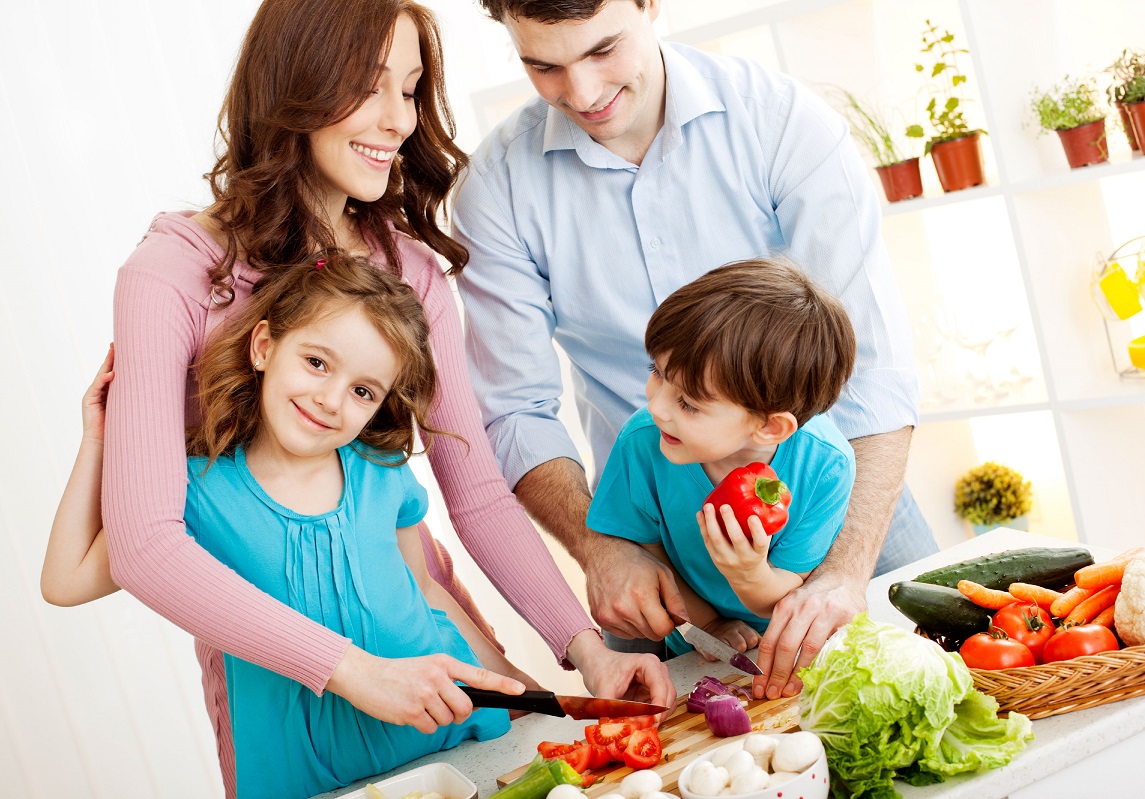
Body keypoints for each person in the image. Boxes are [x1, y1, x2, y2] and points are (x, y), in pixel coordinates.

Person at [99, 1, 671, 795]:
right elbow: (143, 545)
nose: (399, 119)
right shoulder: (170, 278)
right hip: (285, 703)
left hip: (428, 648)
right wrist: (349, 670)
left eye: (410, 90)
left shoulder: (410, 271)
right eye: (371, 87)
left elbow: (474, 491)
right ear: (295, 83)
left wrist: (584, 644)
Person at [453, 0, 940, 700]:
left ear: (650, 5)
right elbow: (516, 411)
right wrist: (602, 547)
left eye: (603, 50)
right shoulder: (497, 186)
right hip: (646, 534)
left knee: (934, 697)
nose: (582, 94)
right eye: (544, 66)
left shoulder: (780, 122)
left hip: (838, 491)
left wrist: (844, 569)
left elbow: (874, 371)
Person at [47, 257, 529, 798]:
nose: (331, 400)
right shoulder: (195, 489)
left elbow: (425, 592)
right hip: (311, 783)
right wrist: (99, 439)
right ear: (263, 347)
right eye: (318, 362)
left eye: (363, 391)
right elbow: (65, 581)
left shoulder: (381, 469)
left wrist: (528, 695)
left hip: (458, 744)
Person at [587, 260, 856, 660]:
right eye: (657, 372)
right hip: (687, 633)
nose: (656, 407)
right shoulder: (642, 441)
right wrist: (708, 625)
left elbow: (791, 592)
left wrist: (749, 574)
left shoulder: (826, 467)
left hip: (785, 644)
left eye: (688, 403)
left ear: (769, 428)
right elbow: (649, 556)